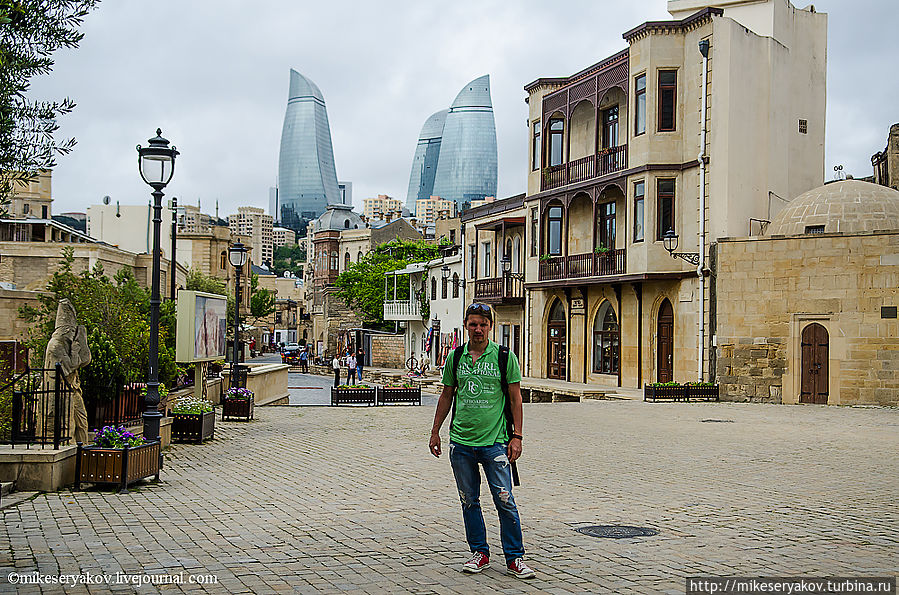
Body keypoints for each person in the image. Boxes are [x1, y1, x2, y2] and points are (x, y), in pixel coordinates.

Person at [429, 303, 535, 579]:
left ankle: (515, 557)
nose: (478, 329)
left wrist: (518, 436)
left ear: (490, 326)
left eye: (483, 324)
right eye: (473, 324)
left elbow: (515, 398)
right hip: (461, 443)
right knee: (469, 500)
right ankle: (480, 552)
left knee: (505, 500)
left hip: (495, 443)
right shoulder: (456, 357)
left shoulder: (503, 356)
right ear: (466, 325)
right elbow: (447, 395)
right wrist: (435, 431)